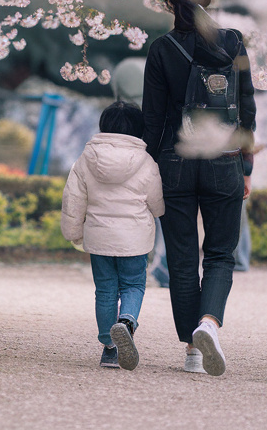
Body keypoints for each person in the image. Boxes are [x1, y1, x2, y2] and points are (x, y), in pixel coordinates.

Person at [142, 0, 256, 377]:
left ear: (169, 2)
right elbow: (246, 110)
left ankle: (192, 351)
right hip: (225, 159)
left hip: (174, 161)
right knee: (221, 254)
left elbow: (152, 120)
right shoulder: (233, 43)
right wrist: (246, 167)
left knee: (183, 259)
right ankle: (209, 323)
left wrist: (148, 166)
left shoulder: (161, 49)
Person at [61, 101, 165, 371]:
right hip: (134, 239)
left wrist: (73, 234)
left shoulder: (85, 160)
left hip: (99, 239)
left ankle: (109, 349)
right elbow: (157, 205)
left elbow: (73, 200)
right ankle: (127, 322)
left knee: (106, 291)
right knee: (133, 286)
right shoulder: (146, 161)